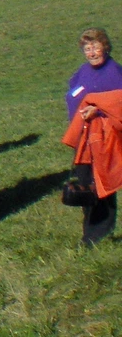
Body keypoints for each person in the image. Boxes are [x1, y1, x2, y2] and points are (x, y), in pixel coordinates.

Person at [63, 28, 122, 245]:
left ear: (105, 47)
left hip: (104, 140)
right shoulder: (83, 71)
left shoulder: (115, 73)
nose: (92, 52)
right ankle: (89, 231)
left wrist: (97, 111)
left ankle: (98, 235)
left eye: (95, 47)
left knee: (101, 185)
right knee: (86, 184)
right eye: (87, 49)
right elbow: (73, 91)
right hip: (83, 139)